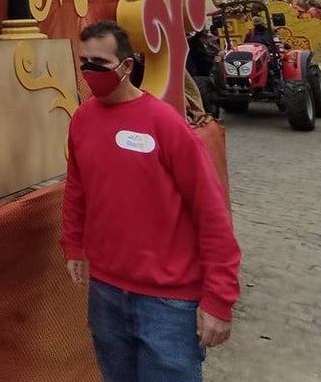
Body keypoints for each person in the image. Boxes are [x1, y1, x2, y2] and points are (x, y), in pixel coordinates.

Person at [62, 20, 241, 382]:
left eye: (100, 63)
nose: (90, 71)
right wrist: (73, 244)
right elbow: (77, 189)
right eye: (84, 63)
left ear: (127, 66)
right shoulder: (82, 119)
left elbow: (210, 210)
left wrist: (219, 297)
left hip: (168, 302)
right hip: (106, 292)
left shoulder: (164, 123)